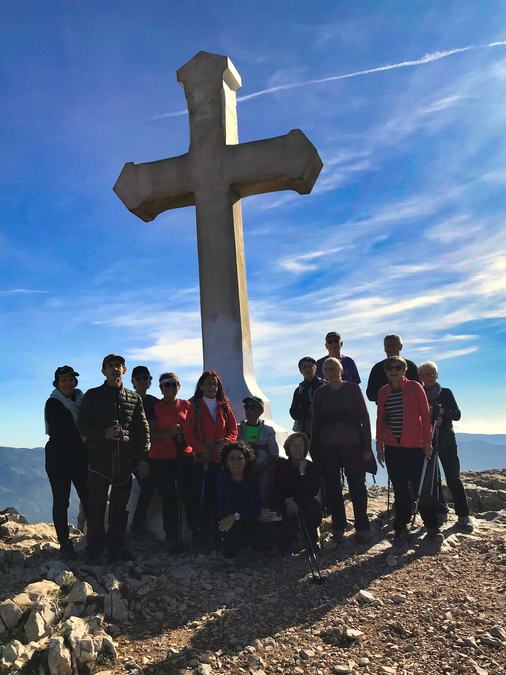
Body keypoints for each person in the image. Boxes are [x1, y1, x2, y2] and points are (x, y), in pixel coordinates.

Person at [78, 354, 150, 563]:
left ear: (124, 370)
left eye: (118, 365)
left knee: (119, 508)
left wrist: (143, 458)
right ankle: (94, 548)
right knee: (97, 506)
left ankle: (116, 547)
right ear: (103, 371)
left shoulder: (134, 398)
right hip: (99, 459)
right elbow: (83, 425)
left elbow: (142, 429)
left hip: (125, 461)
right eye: (110, 366)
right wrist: (104, 434)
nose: (114, 368)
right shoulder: (92, 395)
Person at [376, 356, 443, 546]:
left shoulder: (415, 387)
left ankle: (431, 525)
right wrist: (379, 447)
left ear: (404, 370)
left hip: (415, 447)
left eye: (398, 367)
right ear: (385, 371)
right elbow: (380, 419)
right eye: (390, 367)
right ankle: (401, 526)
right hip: (392, 447)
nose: (394, 370)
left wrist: (427, 443)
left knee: (422, 488)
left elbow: (425, 415)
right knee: (400, 490)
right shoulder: (383, 392)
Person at [311, 357, 372, 544]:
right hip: (327, 446)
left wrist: (367, 446)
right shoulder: (320, 393)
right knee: (333, 488)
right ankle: (339, 527)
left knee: (357, 487)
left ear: (341, 370)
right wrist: (314, 448)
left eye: (334, 368)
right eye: (327, 368)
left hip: (353, 445)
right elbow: (316, 422)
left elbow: (365, 417)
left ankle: (362, 527)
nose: (331, 371)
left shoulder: (353, 389)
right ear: (323, 373)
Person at [418, 361, 472, 532]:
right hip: (427, 439)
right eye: (425, 374)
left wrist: (442, 412)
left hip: (446, 438)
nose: (429, 377)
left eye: (432, 374)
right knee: (433, 478)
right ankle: (440, 510)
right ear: (420, 377)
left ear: (437, 375)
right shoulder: (418, 393)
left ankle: (463, 515)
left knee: (453, 477)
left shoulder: (446, 393)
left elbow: (457, 414)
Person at [148, 372, 197, 551]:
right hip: (161, 459)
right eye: (165, 385)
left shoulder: (186, 405)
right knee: (168, 498)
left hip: (185, 457)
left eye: (173, 384)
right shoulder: (155, 407)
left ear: (179, 386)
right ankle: (172, 538)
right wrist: (170, 435)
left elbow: (194, 429)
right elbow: (150, 435)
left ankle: (194, 535)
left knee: (190, 496)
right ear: (160, 388)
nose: (169, 388)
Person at [189, 370, 238, 550]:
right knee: (202, 501)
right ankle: (202, 539)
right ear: (201, 386)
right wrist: (201, 449)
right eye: (209, 383)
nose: (212, 387)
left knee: (219, 499)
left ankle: (219, 537)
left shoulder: (224, 406)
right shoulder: (193, 406)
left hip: (221, 461)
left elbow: (233, 430)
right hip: (202, 461)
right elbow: (189, 433)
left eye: (215, 384)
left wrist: (226, 442)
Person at [44, 366, 88, 559]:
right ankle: (65, 543)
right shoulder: (53, 403)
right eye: (63, 380)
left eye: (71, 379)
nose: (68, 383)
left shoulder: (81, 401)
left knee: (88, 497)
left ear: (75, 382)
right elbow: (61, 431)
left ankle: (94, 538)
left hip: (80, 457)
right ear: (57, 384)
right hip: (59, 459)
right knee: (62, 501)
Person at [217, 442, 275, 559]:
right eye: (232, 459)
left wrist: (236, 515)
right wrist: (248, 512)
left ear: (246, 460)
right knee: (230, 546)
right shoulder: (222, 479)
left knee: (269, 535)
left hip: (242, 519)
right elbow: (225, 508)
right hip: (229, 521)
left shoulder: (252, 478)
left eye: (240, 458)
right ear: (226, 462)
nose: (236, 462)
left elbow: (256, 505)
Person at [273, 432, 322, 553]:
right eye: (294, 445)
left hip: (304, 505)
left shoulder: (311, 467)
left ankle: (311, 540)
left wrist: (302, 473)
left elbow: (312, 491)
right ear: (288, 448)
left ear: (305, 448)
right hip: (285, 504)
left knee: (310, 506)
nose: (297, 449)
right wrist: (287, 500)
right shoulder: (281, 466)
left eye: (300, 445)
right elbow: (277, 488)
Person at [130, 365, 159, 533]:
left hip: (150, 453)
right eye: (138, 378)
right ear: (133, 381)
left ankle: (136, 524)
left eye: (145, 378)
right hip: (131, 453)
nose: (142, 381)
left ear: (150, 381)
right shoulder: (126, 400)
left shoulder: (155, 402)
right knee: (147, 486)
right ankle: (136, 525)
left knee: (149, 486)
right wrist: (141, 459)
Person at [237, 396, 279, 506]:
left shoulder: (268, 430)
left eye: (252, 407)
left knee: (263, 490)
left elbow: (274, 454)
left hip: (263, 469)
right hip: (242, 468)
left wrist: (262, 465)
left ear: (260, 411)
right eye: (246, 407)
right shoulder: (238, 429)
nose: (248, 410)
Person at [366, 334, 420, 403]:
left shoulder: (410, 366)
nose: (391, 348)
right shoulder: (377, 368)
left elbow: (419, 389)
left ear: (401, 347)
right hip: (386, 408)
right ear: (384, 348)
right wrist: (385, 396)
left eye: (394, 345)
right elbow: (370, 394)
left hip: (410, 406)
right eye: (388, 345)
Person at [289, 357, 325, 437]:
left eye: (310, 366)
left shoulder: (325, 386)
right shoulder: (299, 390)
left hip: (326, 429)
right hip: (306, 432)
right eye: (304, 367)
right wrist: (308, 411)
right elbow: (293, 412)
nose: (308, 369)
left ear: (315, 368)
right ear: (301, 371)